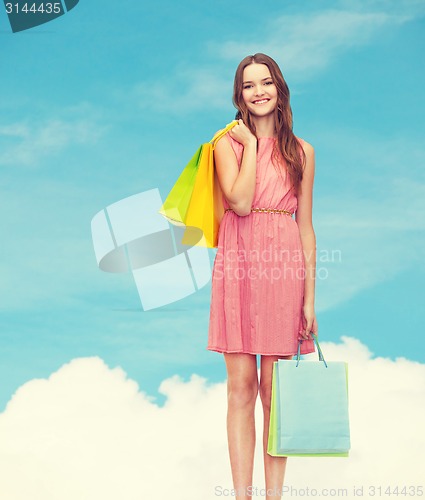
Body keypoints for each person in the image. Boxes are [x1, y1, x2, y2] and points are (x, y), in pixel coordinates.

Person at [207, 53, 318, 499]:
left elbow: (306, 227)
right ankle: (242, 496)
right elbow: (237, 202)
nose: (259, 92)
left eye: (266, 83)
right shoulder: (225, 145)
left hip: (284, 269)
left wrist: (311, 299)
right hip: (238, 264)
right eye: (249, 85)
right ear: (240, 95)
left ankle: (275, 495)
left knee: (275, 393)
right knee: (241, 387)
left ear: (279, 88)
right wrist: (251, 145)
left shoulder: (303, 151)